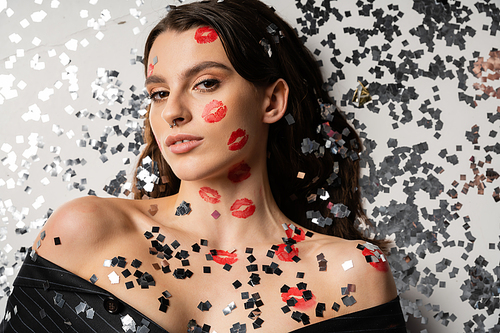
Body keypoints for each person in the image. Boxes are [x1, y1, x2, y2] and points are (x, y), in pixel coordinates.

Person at [1, 0, 406, 332]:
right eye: (159, 92)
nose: (172, 111)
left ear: (271, 102)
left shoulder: (351, 274)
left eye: (205, 83)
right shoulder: (88, 231)